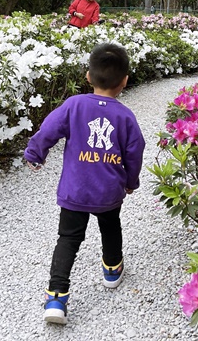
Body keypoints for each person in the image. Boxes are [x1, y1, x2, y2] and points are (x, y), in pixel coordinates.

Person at [24, 43, 145, 325]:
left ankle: (56, 296)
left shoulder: (73, 106)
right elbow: (135, 151)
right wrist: (130, 181)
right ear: (125, 80)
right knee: (110, 226)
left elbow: (49, 130)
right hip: (108, 192)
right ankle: (112, 270)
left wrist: (34, 153)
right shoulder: (125, 116)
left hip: (75, 190)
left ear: (88, 76)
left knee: (68, 239)